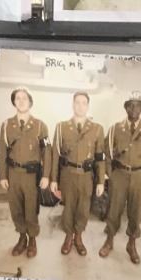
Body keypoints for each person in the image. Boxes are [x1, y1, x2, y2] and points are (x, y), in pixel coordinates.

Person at [100, 93, 141, 265]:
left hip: (140, 176)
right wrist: (110, 174)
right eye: (130, 105)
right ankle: (109, 240)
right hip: (119, 174)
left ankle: (131, 244)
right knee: (113, 209)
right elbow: (106, 154)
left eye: (138, 105)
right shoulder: (115, 129)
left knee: (136, 212)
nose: (134, 109)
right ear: (125, 108)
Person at [0, 87, 51, 259]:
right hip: (13, 174)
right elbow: (2, 152)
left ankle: (32, 239)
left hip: (31, 176)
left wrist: (46, 175)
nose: (21, 101)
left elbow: (47, 153)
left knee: (31, 209)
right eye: (17, 98)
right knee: (16, 208)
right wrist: (3, 176)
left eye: (24, 98)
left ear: (30, 102)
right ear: (14, 102)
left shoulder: (40, 126)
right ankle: (22, 238)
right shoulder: (7, 125)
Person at [52, 91, 108, 257]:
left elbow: (100, 157)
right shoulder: (62, 127)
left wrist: (101, 181)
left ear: (88, 106)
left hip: (86, 176)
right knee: (68, 207)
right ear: (73, 105)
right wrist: (54, 179)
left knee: (84, 209)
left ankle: (78, 237)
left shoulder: (97, 129)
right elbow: (55, 155)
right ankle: (68, 237)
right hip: (68, 174)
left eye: (84, 103)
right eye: (77, 102)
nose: (80, 106)